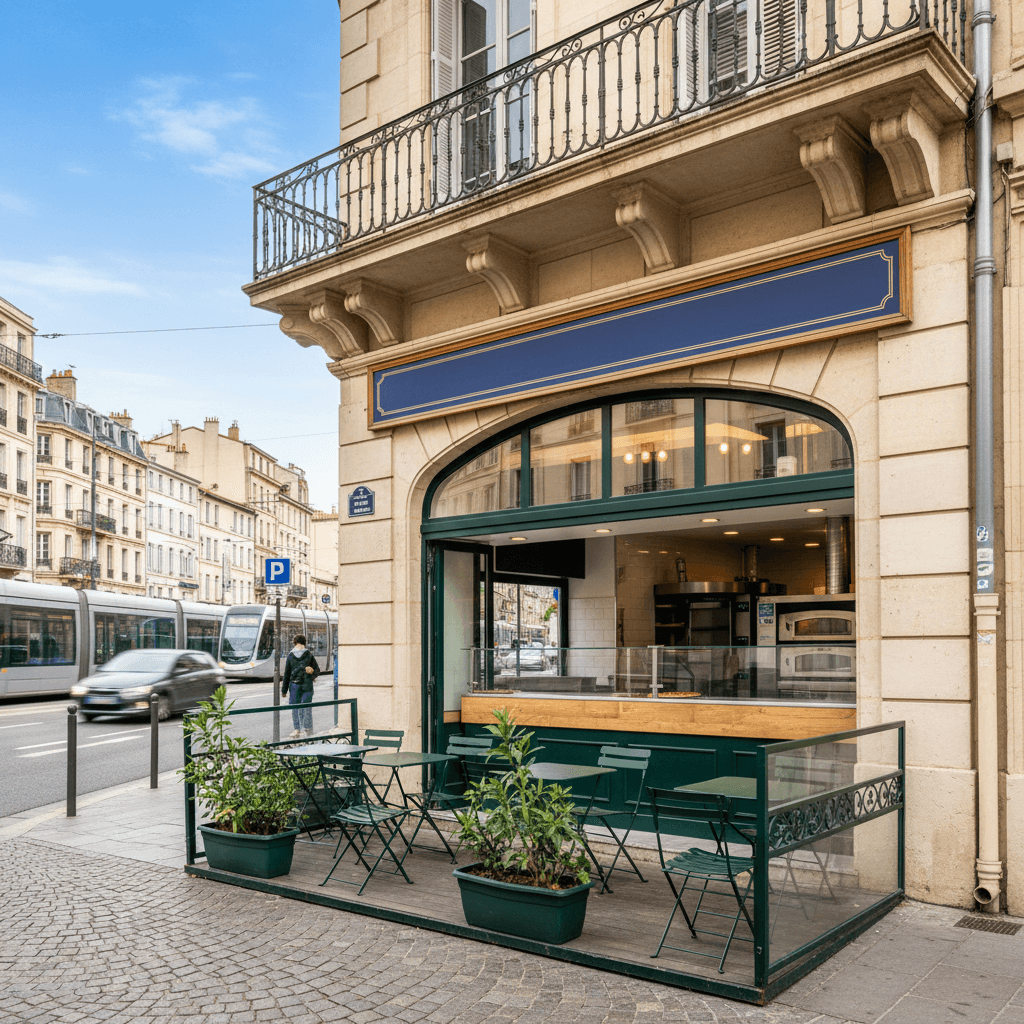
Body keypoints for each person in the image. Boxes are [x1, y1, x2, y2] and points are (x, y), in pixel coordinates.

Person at [282, 634, 320, 738]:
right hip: (307, 684)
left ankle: (297, 729)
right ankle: (308, 729)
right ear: (304, 642)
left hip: (294, 685)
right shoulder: (309, 654)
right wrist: (312, 673)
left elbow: (287, 674)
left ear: (294, 643)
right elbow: (317, 670)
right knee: (307, 707)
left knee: (295, 707)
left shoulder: (290, 656)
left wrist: (284, 691)